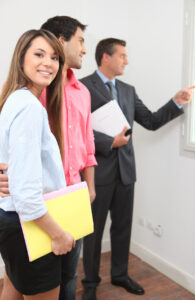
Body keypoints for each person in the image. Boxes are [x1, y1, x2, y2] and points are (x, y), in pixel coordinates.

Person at [80, 38, 195, 300]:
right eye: (122, 55)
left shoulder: (128, 90)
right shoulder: (83, 87)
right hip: (96, 173)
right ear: (105, 57)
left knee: (122, 227)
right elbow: (79, 131)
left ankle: (120, 275)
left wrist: (175, 102)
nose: (126, 61)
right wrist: (109, 142)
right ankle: (89, 282)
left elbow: (151, 121)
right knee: (93, 231)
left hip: (125, 172)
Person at [0, 16, 97, 300]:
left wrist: (88, 188)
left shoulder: (24, 97)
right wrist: (58, 233)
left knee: (21, 286)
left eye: (53, 57)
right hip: (36, 217)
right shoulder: (29, 104)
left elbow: (87, 142)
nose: (49, 63)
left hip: (65, 203)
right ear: (21, 59)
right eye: (39, 54)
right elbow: (27, 193)